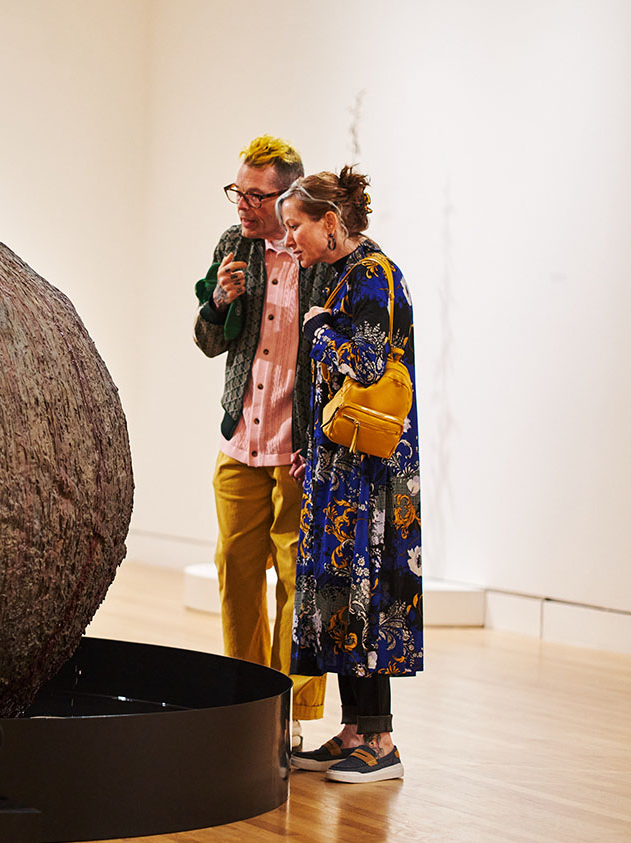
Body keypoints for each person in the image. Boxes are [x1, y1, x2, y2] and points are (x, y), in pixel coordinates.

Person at [278, 167, 422, 784]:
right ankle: (354, 729)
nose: (291, 241)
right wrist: (309, 444)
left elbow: (363, 368)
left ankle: (381, 741)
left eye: (296, 227)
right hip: (342, 466)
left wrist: (315, 327)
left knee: (371, 598)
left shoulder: (372, 277)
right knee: (343, 595)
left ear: (329, 222)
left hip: (372, 474)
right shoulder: (346, 277)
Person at [192, 136, 333, 746]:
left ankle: (290, 716)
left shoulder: (318, 258)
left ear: (288, 197)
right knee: (236, 572)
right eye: (238, 193)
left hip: (295, 451)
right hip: (241, 438)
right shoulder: (233, 246)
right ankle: (243, 701)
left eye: (256, 195)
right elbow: (207, 340)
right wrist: (221, 300)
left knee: (296, 578)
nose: (243, 205)